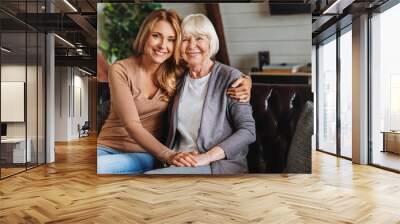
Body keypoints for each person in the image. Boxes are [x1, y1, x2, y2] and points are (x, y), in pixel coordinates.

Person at [97, 9, 252, 174]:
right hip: (107, 146)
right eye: (156, 36)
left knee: (99, 168)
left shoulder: (177, 71)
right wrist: (169, 155)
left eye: (171, 39)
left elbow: (211, 69)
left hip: (147, 153)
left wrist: (247, 81)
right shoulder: (122, 69)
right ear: (144, 36)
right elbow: (131, 124)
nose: (163, 46)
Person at [145, 14, 256, 174]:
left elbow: (247, 131)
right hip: (177, 161)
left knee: (148, 181)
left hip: (215, 166)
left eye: (199, 38)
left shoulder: (231, 78)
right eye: (185, 39)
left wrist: (206, 157)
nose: (191, 45)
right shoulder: (178, 79)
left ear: (211, 42)